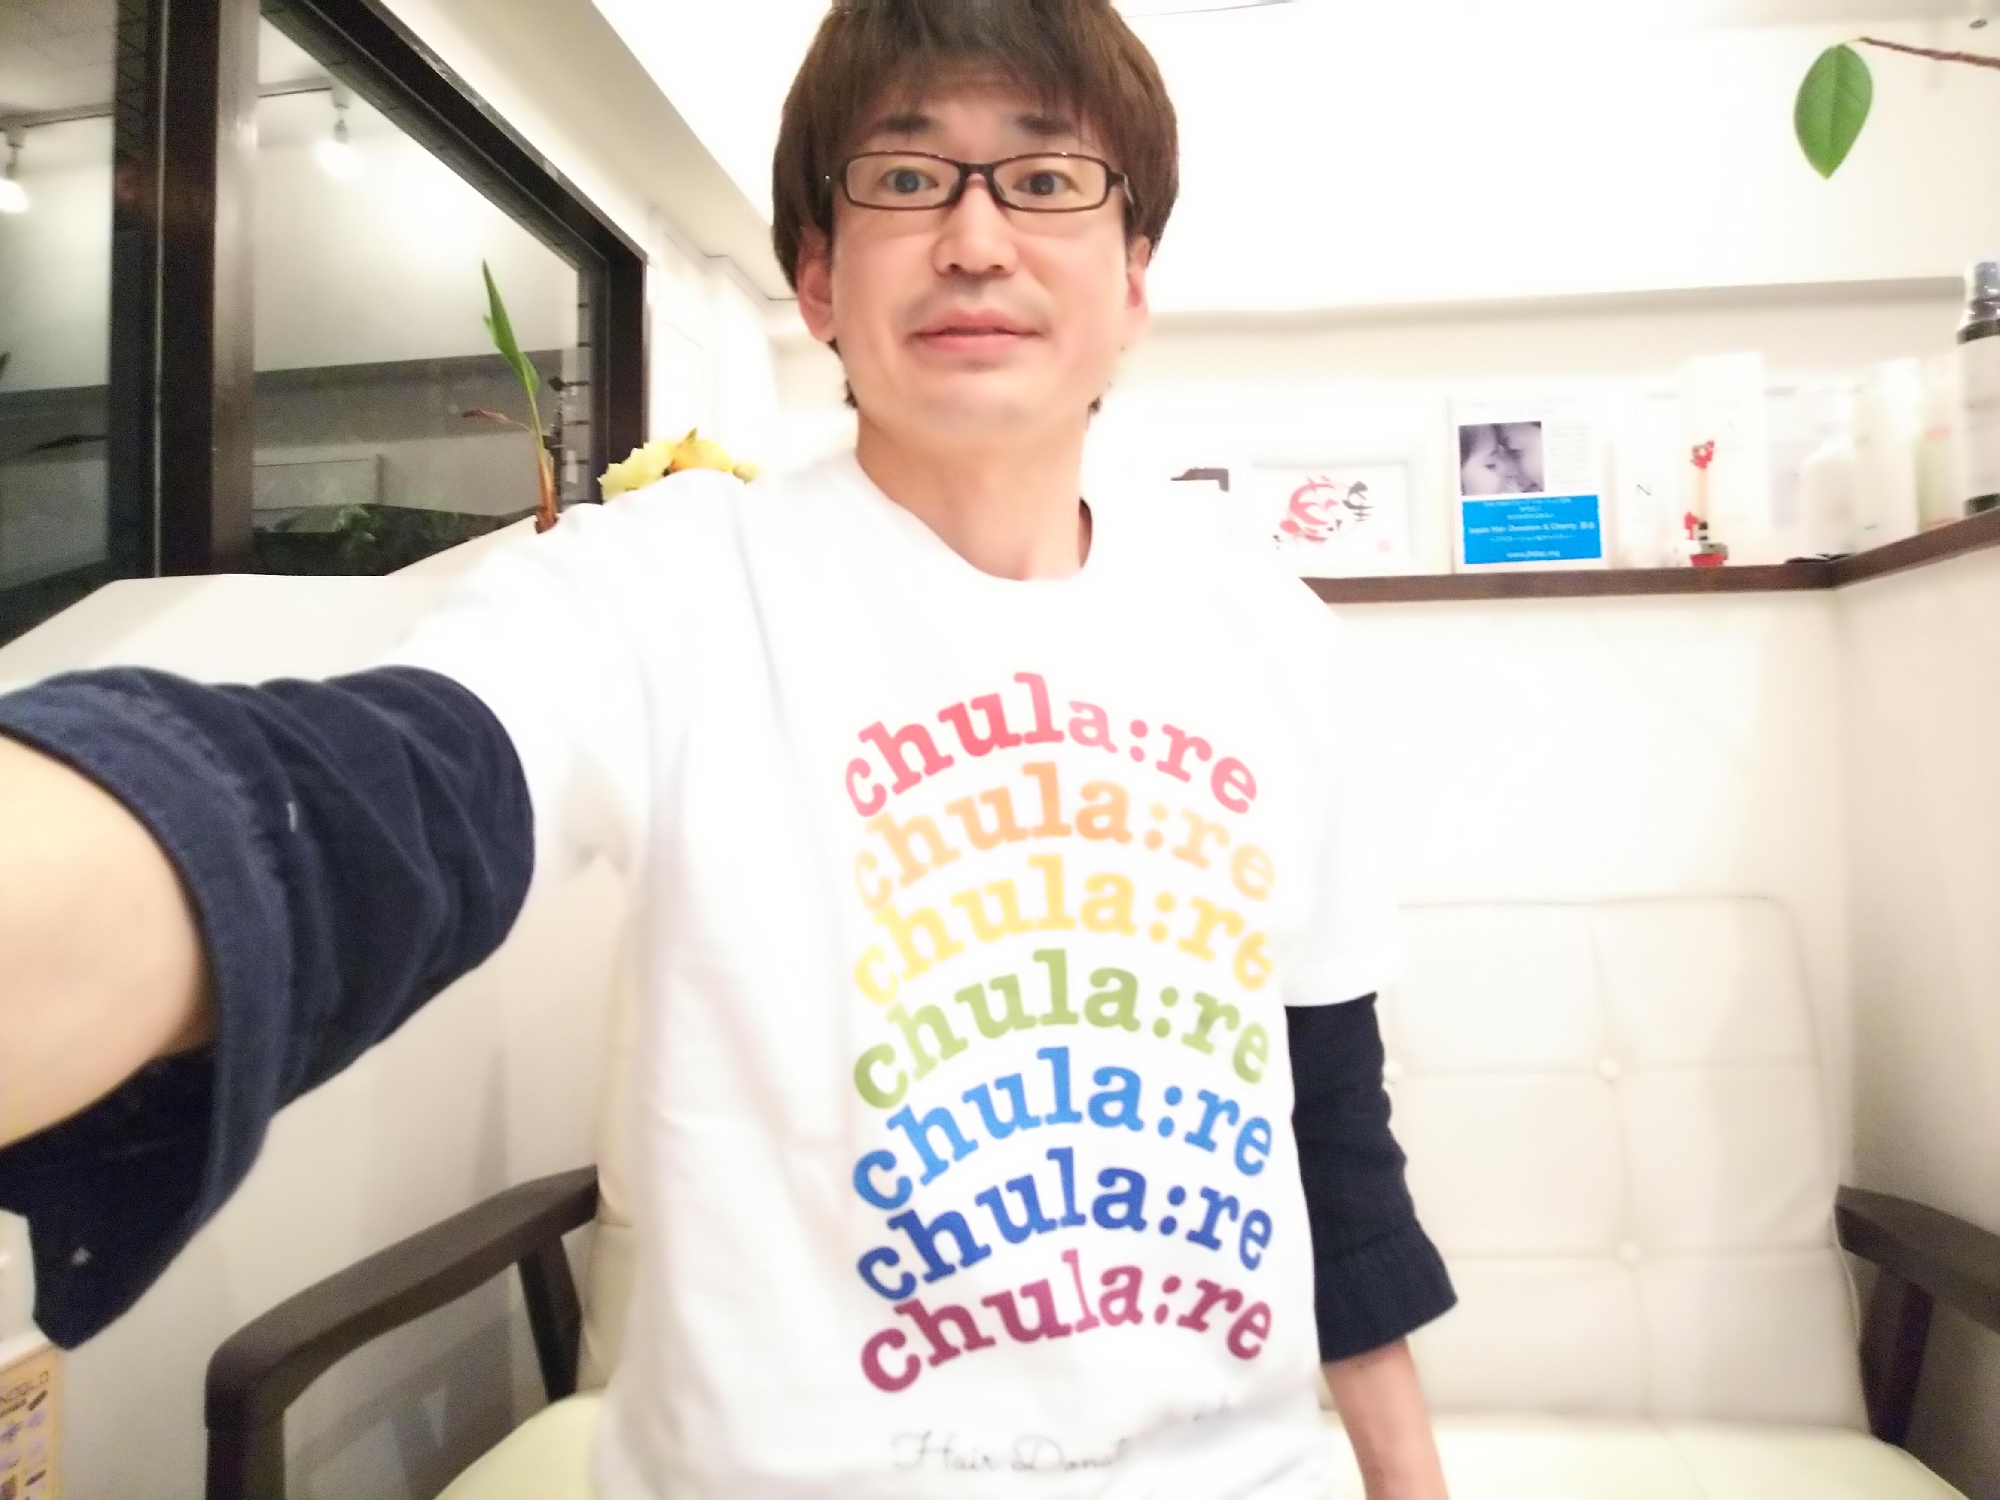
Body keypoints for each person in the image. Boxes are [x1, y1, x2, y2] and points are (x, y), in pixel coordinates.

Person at [0, 1, 1455, 1494]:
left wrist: (1408, 1478)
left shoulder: (1266, 632)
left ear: (1133, 277)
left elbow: (1331, 1126)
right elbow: (396, 789)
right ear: (818, 277)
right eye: (906, 177)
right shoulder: (677, 582)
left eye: (1043, 178)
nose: (975, 239)